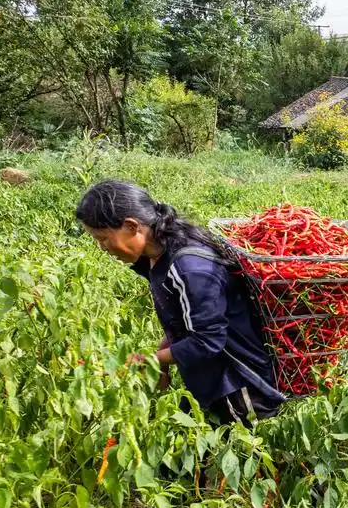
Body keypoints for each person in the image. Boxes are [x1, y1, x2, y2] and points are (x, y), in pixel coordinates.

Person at [75, 181, 285, 427]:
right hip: (209, 382)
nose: (102, 247)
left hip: (239, 388)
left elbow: (207, 341)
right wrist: (162, 358)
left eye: (103, 238)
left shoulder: (189, 268)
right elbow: (182, 319)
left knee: (244, 458)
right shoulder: (155, 258)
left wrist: (150, 359)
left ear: (132, 226)